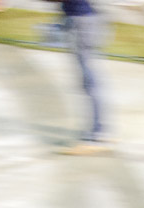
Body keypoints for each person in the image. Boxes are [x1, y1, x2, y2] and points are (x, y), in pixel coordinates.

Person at [45, 0, 112, 155]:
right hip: (85, 20)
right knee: (90, 81)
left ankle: (96, 137)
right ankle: (100, 132)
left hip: (81, 22)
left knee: (89, 82)